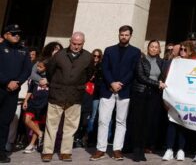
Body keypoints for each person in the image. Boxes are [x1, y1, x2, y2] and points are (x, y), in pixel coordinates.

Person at [91, 26, 141, 161]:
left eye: (126, 35)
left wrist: (121, 83)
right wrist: (112, 82)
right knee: (103, 120)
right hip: (108, 89)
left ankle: (117, 149)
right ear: (118, 35)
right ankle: (100, 149)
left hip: (125, 91)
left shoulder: (136, 52)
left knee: (121, 121)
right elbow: (104, 68)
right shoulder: (109, 50)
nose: (124, 37)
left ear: (130, 36)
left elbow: (133, 71)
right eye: (122, 34)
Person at [42, 32, 93, 162]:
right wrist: (56, 85)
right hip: (57, 94)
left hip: (75, 95)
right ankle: (47, 151)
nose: (76, 46)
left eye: (79, 44)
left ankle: (65, 152)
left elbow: (89, 74)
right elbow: (50, 72)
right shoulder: (59, 55)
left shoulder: (88, 57)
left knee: (71, 126)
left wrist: (78, 85)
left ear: (83, 43)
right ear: (70, 41)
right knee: (51, 125)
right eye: (74, 43)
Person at [0, 24, 33, 163]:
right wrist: (6, 82)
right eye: (13, 33)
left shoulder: (23, 50)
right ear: (6, 35)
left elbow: (27, 70)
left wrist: (17, 82)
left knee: (4, 122)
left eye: (18, 33)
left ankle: (1, 152)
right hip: (1, 87)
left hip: (13, 92)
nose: (17, 35)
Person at [129, 40, 166, 162]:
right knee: (138, 122)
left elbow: (165, 74)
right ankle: (136, 150)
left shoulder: (161, 62)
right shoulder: (141, 60)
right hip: (141, 93)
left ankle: (142, 149)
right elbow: (141, 77)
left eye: (156, 47)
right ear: (148, 48)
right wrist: (157, 83)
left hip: (154, 95)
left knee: (147, 123)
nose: (154, 49)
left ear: (159, 49)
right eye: (152, 47)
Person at [22, 60, 49, 154]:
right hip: (33, 103)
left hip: (43, 105)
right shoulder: (35, 77)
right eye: (38, 66)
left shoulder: (49, 78)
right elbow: (30, 90)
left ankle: (32, 144)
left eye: (41, 67)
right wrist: (26, 101)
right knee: (27, 119)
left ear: (46, 68)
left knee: (36, 123)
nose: (38, 68)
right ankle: (40, 133)